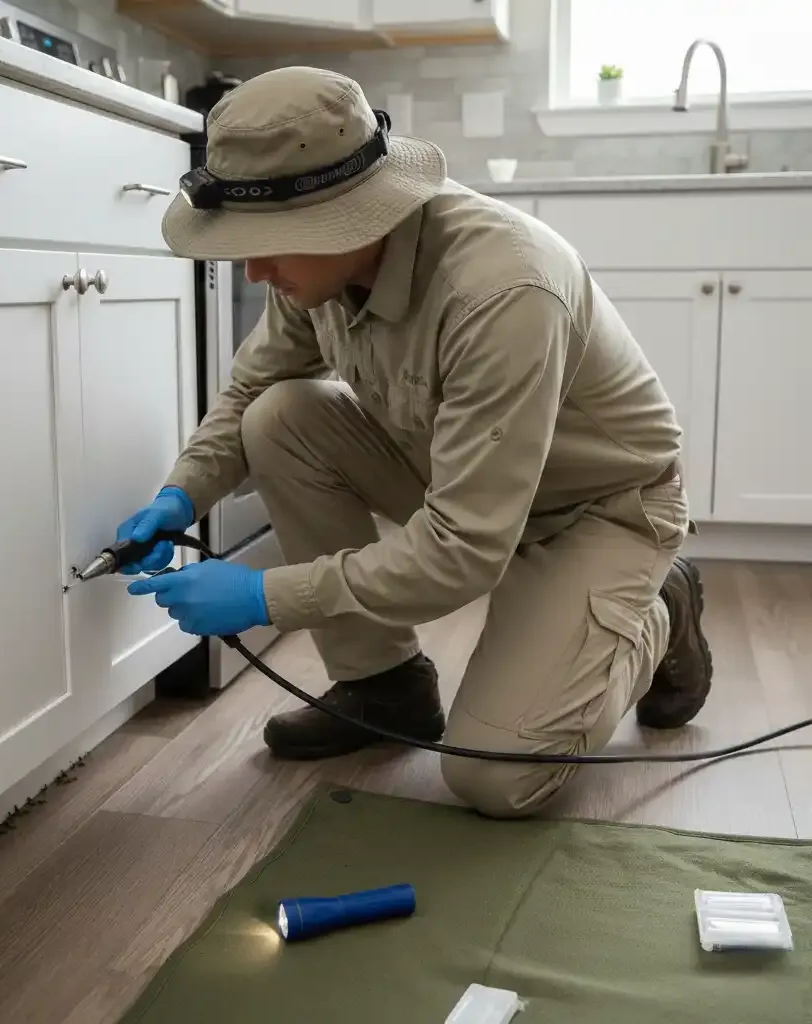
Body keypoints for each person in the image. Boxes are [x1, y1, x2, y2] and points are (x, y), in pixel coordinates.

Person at [118, 65, 714, 818]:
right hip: (464, 485)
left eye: (270, 243)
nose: (253, 268)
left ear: (357, 218)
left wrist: (262, 596)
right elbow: (247, 391)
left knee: (499, 777)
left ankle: (657, 609)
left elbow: (462, 552)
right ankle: (383, 687)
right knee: (280, 415)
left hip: (598, 512)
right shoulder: (316, 275)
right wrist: (182, 492)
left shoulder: (503, 290)